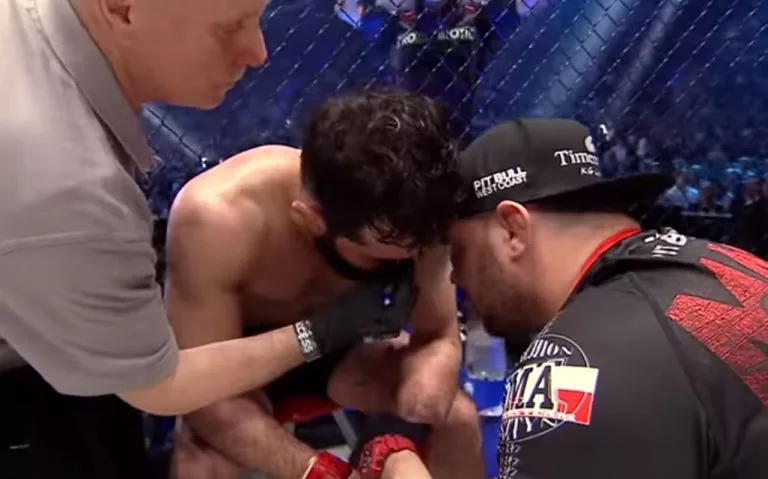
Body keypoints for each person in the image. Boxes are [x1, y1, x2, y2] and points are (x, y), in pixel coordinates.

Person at [0, 0, 274, 477]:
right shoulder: (66, 184)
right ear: (122, 8)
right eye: (230, 26)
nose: (258, 52)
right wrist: (315, 335)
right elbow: (156, 385)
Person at [165, 89, 485, 479]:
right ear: (312, 220)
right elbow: (203, 394)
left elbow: (438, 336)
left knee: (456, 418)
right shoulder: (218, 218)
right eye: (381, 254)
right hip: (234, 365)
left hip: (341, 352)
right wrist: (323, 472)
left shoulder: (414, 210)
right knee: (204, 462)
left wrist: (403, 427)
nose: (406, 260)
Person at [448, 118, 768, 478]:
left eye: (458, 253)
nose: (455, 278)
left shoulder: (572, 363)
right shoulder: (735, 266)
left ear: (512, 230)